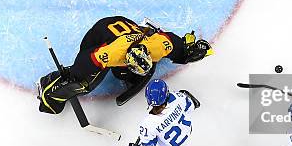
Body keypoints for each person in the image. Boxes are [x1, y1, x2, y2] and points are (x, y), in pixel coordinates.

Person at [37, 16, 212, 111]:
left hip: (123, 27)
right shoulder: (112, 54)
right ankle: (48, 85)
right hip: (99, 34)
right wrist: (72, 81)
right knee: (85, 82)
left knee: (118, 72)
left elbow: (171, 41)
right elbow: (86, 60)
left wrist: (189, 51)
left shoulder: (155, 47)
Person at [124, 79, 200, 146]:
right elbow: (190, 106)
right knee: (183, 94)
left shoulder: (148, 124)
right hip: (186, 131)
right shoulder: (178, 97)